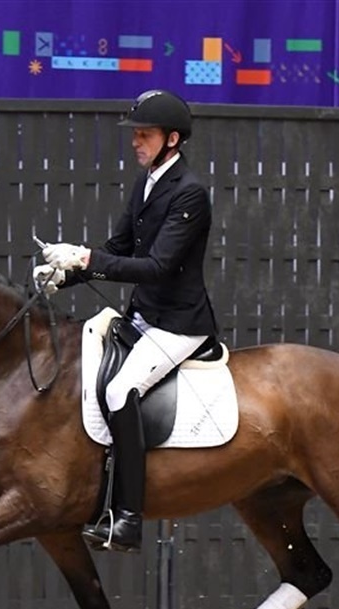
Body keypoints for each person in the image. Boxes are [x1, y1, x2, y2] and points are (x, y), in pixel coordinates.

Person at [36, 89, 218, 553]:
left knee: (121, 390)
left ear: (172, 139)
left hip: (177, 323)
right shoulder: (145, 183)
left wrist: (83, 257)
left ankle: (128, 518)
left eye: (145, 135)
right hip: (143, 316)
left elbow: (157, 266)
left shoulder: (190, 192)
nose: (136, 142)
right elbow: (118, 249)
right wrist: (65, 275)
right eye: (135, 134)